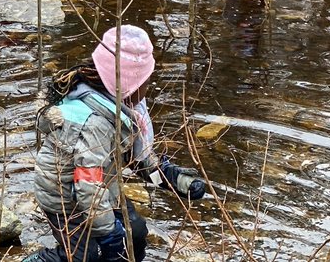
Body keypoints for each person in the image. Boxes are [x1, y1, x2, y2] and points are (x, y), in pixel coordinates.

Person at [27, 26, 207, 262]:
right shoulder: (95, 123)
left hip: (102, 187)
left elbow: (140, 161)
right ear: (127, 85)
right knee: (84, 255)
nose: (148, 87)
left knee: (135, 232)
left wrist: (177, 180)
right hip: (63, 198)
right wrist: (108, 230)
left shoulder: (127, 109)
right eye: (145, 81)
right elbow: (87, 185)